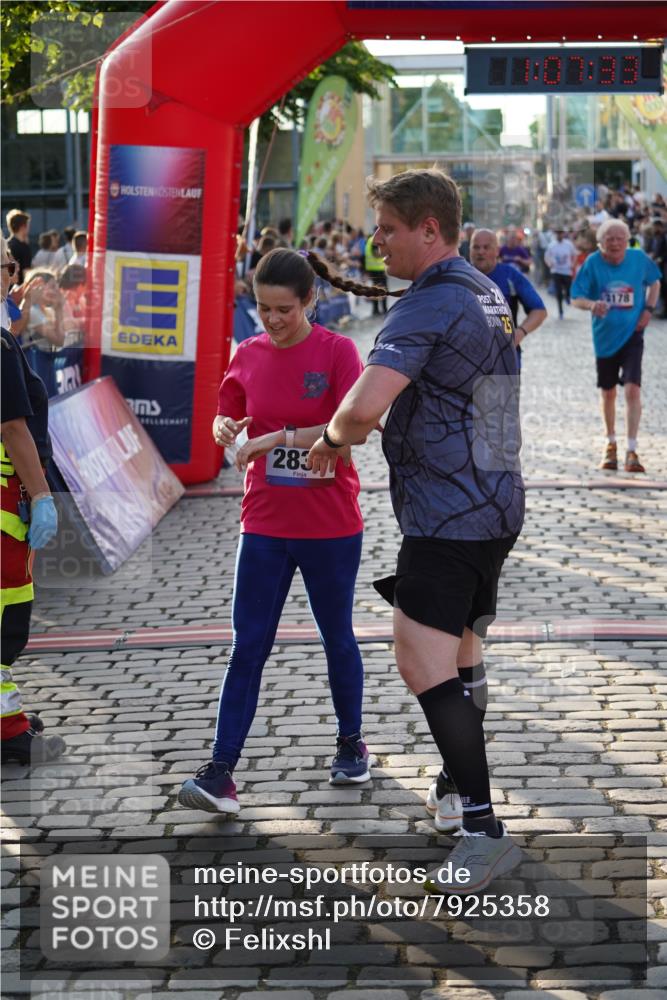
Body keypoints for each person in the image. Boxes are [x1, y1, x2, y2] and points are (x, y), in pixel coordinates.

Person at [308, 169, 524, 893]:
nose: (376, 242)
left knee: (420, 661)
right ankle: (455, 790)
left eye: (387, 229)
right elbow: (491, 405)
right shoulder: (485, 291)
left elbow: (360, 409)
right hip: (490, 505)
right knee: (462, 658)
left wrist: (333, 440)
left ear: (428, 229)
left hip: (447, 517)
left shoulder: (430, 301)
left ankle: (483, 831)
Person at [178, 247, 373, 815]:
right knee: (248, 645)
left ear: (310, 299)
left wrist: (278, 438)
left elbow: (357, 427)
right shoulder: (247, 352)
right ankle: (220, 771)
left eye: (284, 309)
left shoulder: (337, 352)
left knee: (336, 635)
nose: (272, 319)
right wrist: (224, 427)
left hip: (329, 522)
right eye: (263, 308)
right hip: (263, 519)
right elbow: (228, 413)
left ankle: (351, 744)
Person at [1, 237, 63, 765]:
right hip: (5, 501)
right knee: (7, 613)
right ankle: (7, 728)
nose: (12, 274)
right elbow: (13, 427)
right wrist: (41, 494)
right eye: (6, 266)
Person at [572, 218, 661, 474]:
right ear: (600, 243)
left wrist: (648, 310)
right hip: (605, 338)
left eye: (620, 238)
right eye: (609, 239)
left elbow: (655, 282)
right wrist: (592, 305)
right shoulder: (592, 263)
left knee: (633, 389)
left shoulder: (638, 258)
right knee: (608, 392)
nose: (614, 243)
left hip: (633, 334)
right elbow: (576, 297)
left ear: (627, 241)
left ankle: (632, 449)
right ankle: (610, 444)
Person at [470, 228, 547, 366]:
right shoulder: (461, 277)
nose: (481, 252)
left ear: (497, 250)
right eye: (476, 247)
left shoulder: (511, 275)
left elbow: (539, 311)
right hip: (469, 361)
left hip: (505, 360)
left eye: (486, 247)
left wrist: (520, 333)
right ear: (470, 250)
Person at [544, 228, 577, 319]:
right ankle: (560, 311)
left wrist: (573, 264)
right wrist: (549, 264)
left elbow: (575, 255)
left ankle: (567, 297)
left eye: (561, 233)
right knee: (558, 292)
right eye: (558, 233)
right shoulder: (551, 245)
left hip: (567, 270)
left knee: (568, 288)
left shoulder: (568, 244)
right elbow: (546, 257)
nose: (559, 235)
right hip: (556, 271)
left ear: (563, 234)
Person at [6, 210, 32, 285]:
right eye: (28, 226)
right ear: (23, 227)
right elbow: (27, 274)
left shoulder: (6, 245)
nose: (29, 228)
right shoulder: (24, 248)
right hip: (19, 289)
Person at [364, 234, 388, 315]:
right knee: (383, 289)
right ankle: (384, 309)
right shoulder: (375, 239)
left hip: (373, 268)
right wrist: (386, 254)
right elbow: (376, 253)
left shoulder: (370, 240)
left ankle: (376, 310)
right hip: (378, 269)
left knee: (375, 290)